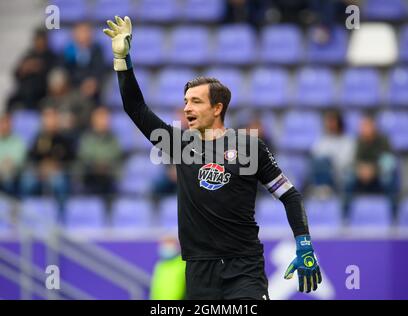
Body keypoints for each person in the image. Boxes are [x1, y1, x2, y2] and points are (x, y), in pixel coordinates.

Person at [103, 16, 322, 299]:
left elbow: (289, 195)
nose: (187, 108)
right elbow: (135, 107)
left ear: (217, 108)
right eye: (185, 102)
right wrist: (122, 59)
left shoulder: (249, 146)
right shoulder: (178, 144)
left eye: (195, 101)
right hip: (198, 271)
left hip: (244, 269)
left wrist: (303, 243)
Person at [77, 106, 121, 198]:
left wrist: (105, 165)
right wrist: (96, 165)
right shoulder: (87, 138)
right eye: (101, 117)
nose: (104, 121)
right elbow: (84, 157)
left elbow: (116, 156)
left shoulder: (114, 139)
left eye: (105, 117)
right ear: (93, 120)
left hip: (109, 179)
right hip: (90, 179)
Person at [310, 110, 355, 195]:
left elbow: (346, 161)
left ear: (339, 122)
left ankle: (324, 190)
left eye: (332, 121)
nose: (329, 124)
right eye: (327, 121)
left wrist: (329, 162)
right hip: (323, 173)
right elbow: (315, 157)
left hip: (340, 175)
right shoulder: (322, 140)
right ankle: (322, 189)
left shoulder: (347, 140)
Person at [150, 236, 186, 300]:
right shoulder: (160, 265)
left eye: (169, 243)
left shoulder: (183, 264)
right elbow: (155, 287)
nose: (166, 247)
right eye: (164, 244)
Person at [0, 113, 27, 196]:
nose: (4, 126)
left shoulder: (18, 141)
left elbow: (19, 160)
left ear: (11, 125)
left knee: (9, 180)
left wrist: (8, 164)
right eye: (1, 123)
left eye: (6, 123)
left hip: (14, 175)